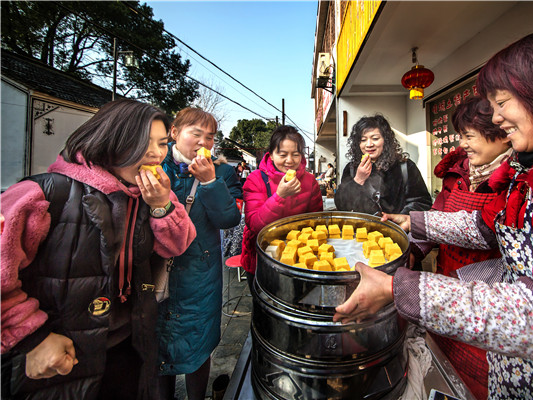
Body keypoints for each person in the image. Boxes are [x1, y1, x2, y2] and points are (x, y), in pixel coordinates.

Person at [334, 29, 533, 399]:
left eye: (502, 102)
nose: (497, 117)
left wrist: (401, 287)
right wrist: (414, 225)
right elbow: (487, 226)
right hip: (511, 366)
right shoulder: (529, 172)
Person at [0, 99, 196, 399]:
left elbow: (177, 245)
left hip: (130, 346)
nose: (157, 154)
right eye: (145, 142)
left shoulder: (147, 195)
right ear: (114, 139)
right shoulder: (40, 194)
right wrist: (31, 337)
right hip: (56, 357)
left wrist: (162, 206)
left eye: (162, 143)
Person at [387, 96, 512, 399]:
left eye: (470, 135)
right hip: (443, 289)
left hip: (491, 304)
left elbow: (486, 232)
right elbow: (438, 217)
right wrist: (414, 252)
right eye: (461, 135)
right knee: (443, 371)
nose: (463, 143)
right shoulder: (457, 173)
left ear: (500, 133)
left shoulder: (516, 181)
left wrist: (413, 222)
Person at [156, 108, 242, 400]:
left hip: (201, 274)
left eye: (210, 137)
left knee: (198, 346)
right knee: (157, 352)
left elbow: (228, 219)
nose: (204, 143)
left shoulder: (220, 172)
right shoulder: (153, 166)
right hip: (157, 275)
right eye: (196, 133)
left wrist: (209, 183)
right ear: (174, 132)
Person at [241, 125, 323, 289]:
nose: (289, 161)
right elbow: (255, 224)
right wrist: (279, 196)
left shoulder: (309, 181)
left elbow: (315, 222)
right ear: (271, 154)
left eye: (295, 154)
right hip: (262, 260)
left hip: (300, 261)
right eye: (282, 154)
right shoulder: (255, 179)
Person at [334, 114, 432, 215]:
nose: (369, 144)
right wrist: (358, 179)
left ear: (386, 140)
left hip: (396, 228)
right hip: (363, 228)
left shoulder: (405, 166)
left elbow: (422, 202)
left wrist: (399, 219)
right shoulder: (351, 168)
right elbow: (342, 205)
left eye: (375, 138)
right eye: (363, 140)